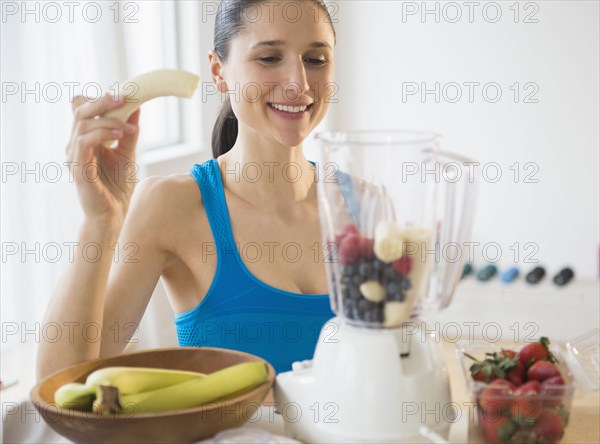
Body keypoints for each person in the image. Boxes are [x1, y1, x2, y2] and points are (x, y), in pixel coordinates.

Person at [37, 0, 338, 378]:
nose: (299, 83)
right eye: (269, 58)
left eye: (316, 59)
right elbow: (61, 383)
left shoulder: (362, 205)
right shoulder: (170, 206)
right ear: (219, 71)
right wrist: (100, 221)